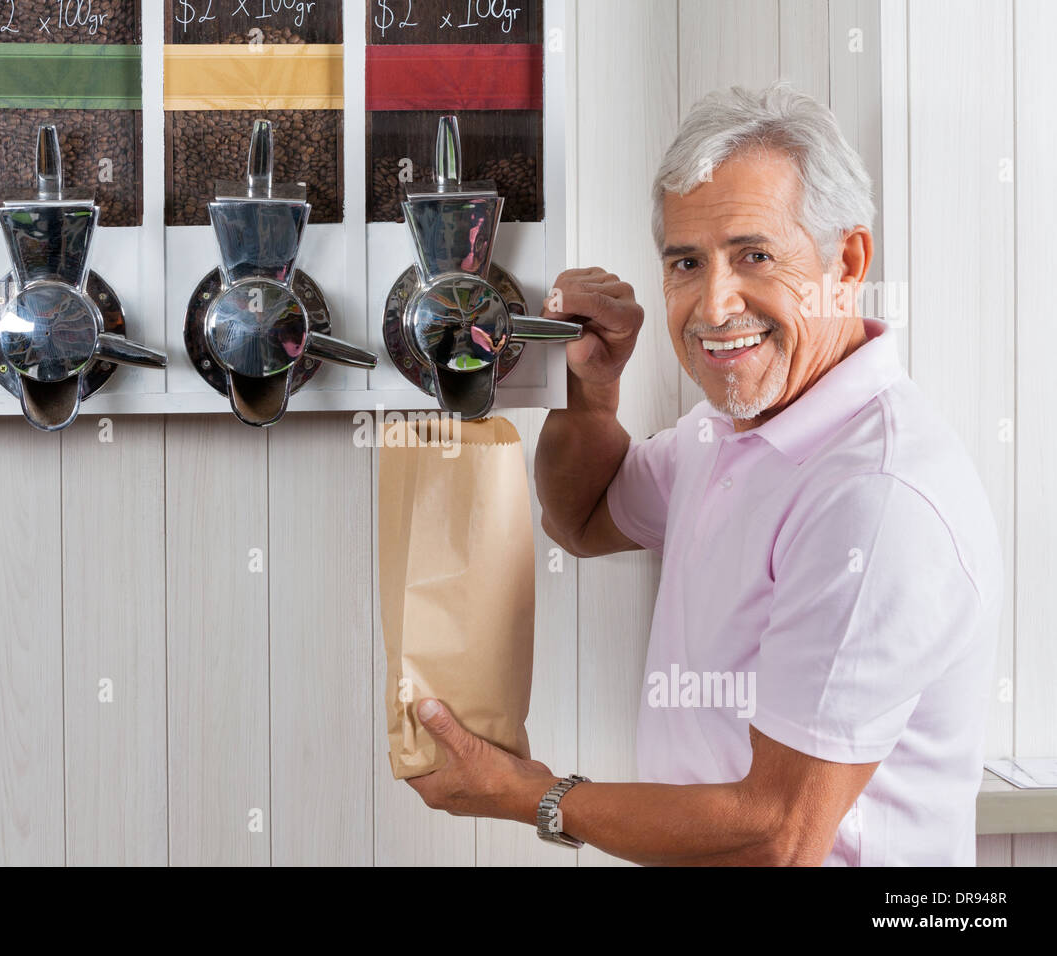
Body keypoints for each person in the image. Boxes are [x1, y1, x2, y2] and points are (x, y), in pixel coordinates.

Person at [404, 81, 1004, 866]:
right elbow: (582, 519)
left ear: (846, 260)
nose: (715, 306)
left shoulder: (876, 499)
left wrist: (533, 797)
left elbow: (777, 838)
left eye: (754, 255)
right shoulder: (729, 428)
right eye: (687, 262)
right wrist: (591, 387)